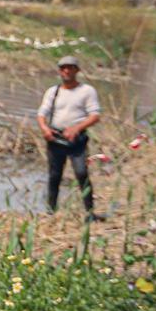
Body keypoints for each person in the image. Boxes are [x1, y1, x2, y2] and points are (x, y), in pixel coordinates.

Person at [36, 56, 102, 217]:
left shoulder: (87, 91)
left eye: (70, 67)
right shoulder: (53, 91)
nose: (66, 71)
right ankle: (51, 212)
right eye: (63, 68)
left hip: (76, 140)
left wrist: (76, 128)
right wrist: (45, 129)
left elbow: (95, 115)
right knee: (54, 176)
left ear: (77, 70)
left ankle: (90, 212)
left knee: (81, 173)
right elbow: (41, 114)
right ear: (59, 71)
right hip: (55, 138)